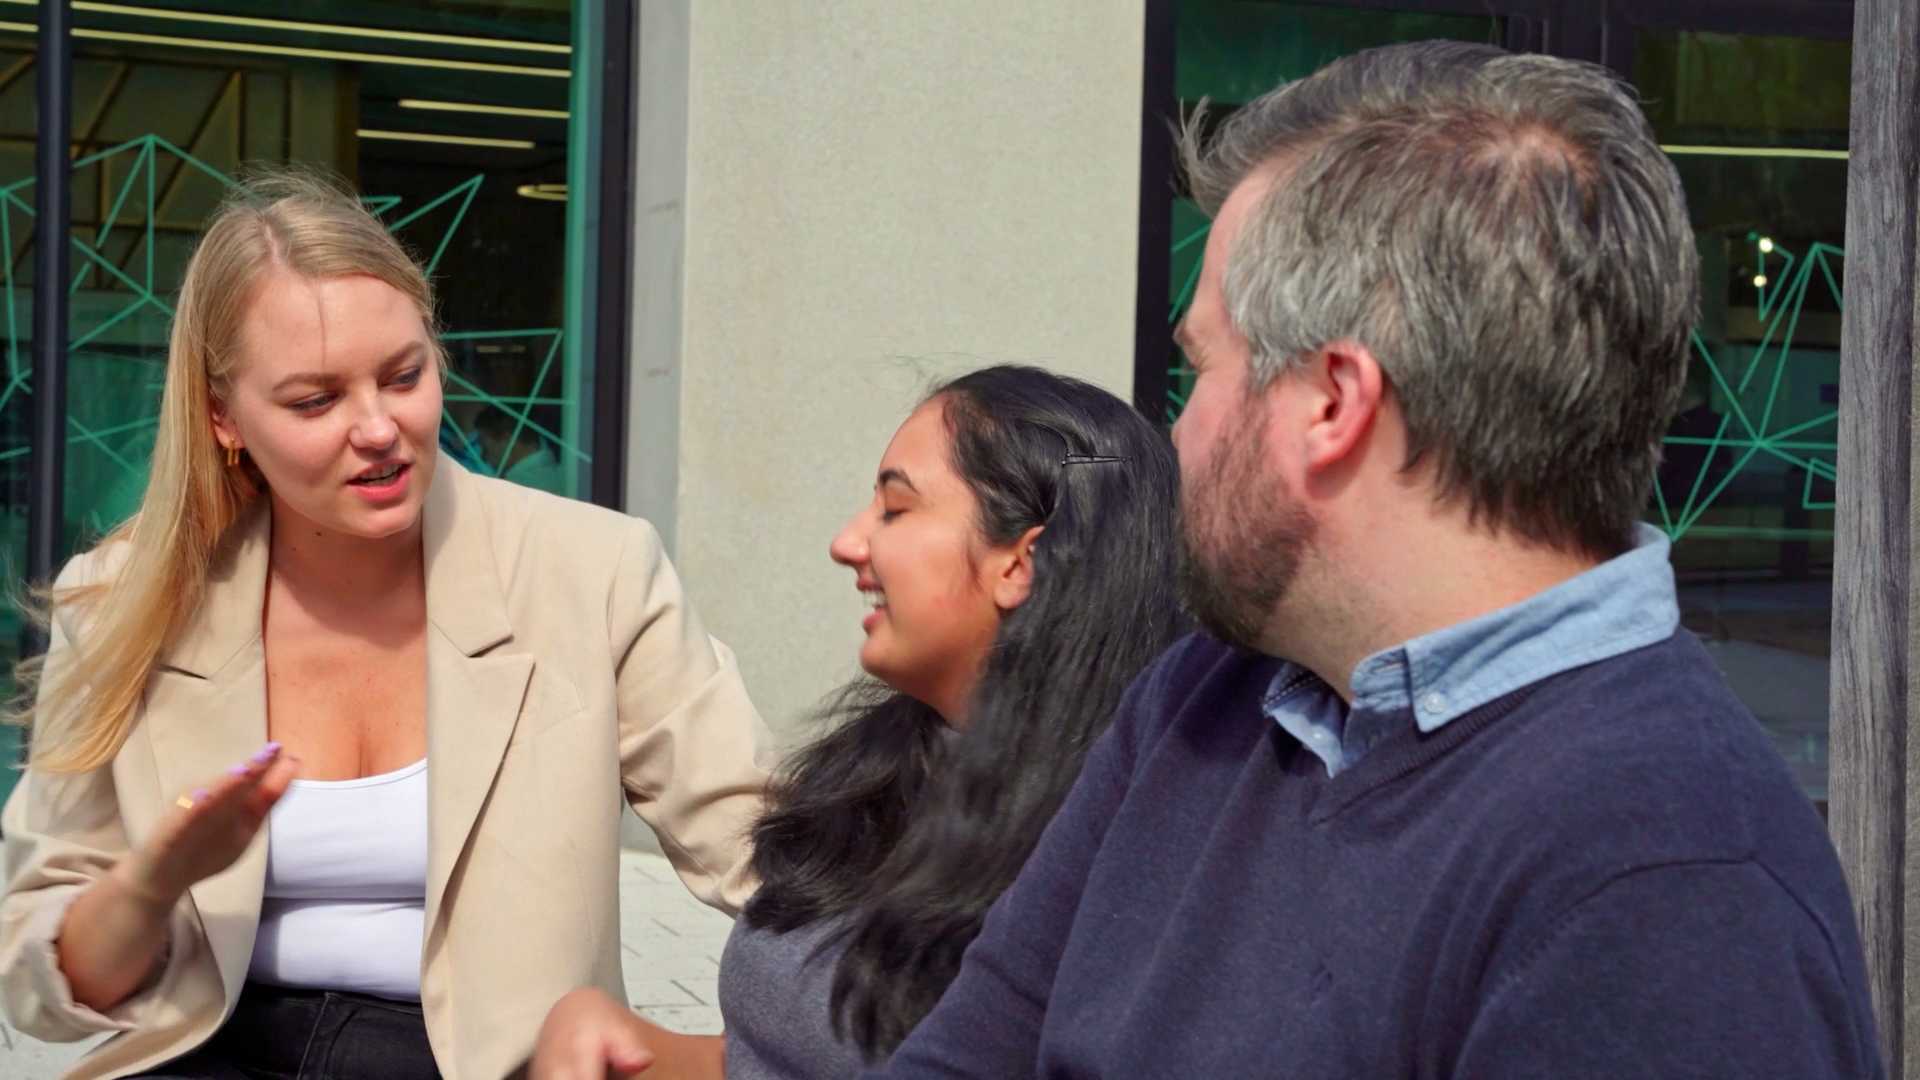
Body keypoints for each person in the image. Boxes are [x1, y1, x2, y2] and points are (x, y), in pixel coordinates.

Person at [866, 42, 1883, 1078]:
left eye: (1200, 370)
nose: (1174, 433)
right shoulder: (1208, 699)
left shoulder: (1672, 886)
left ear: (1333, 404)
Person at [0, 169, 772, 1080]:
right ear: (223, 417)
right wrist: (149, 884)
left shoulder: (593, 571)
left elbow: (765, 848)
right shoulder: (127, 598)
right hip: (208, 1051)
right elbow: (38, 984)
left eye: (404, 376)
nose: (378, 428)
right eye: (314, 401)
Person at [529, 365, 1184, 1079]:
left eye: (895, 511)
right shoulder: (884, 776)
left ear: (1021, 561)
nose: (848, 543)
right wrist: (636, 1049)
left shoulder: (1122, 856)